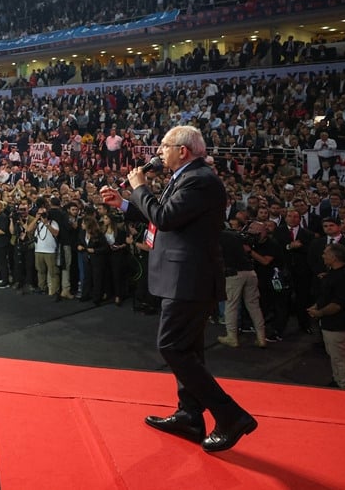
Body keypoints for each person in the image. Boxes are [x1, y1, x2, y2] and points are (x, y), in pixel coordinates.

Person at [100, 125, 256, 453]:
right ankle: (189, 415)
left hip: (190, 278)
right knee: (190, 351)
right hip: (185, 276)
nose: (159, 154)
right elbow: (162, 220)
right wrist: (125, 206)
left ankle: (230, 415)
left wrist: (139, 187)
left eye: (164, 147)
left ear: (182, 150)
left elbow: (166, 218)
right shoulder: (186, 177)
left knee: (172, 347)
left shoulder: (200, 180)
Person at [308, 243, 345, 389]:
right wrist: (317, 306)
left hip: (339, 324)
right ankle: (338, 381)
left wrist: (320, 312)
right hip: (329, 323)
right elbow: (327, 296)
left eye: (325, 253)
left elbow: (338, 304)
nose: (323, 255)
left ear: (334, 256)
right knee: (334, 355)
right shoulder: (333, 273)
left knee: (341, 358)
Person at [216, 226, 267, 348]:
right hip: (250, 272)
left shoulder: (216, 237)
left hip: (233, 274)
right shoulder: (235, 235)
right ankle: (261, 337)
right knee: (254, 305)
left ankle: (232, 337)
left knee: (231, 305)